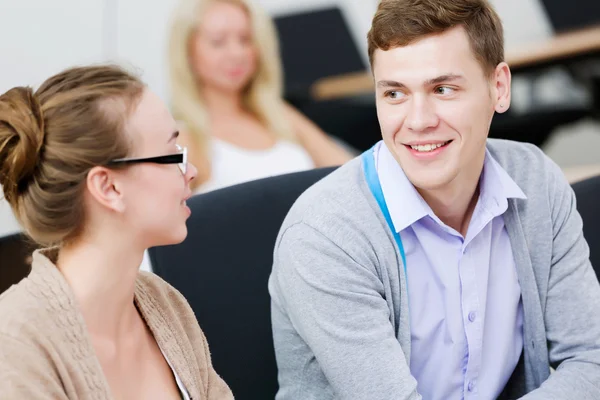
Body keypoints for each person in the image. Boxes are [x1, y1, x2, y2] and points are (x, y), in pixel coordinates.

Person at [268, 0, 600, 399]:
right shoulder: (326, 237)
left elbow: (591, 358)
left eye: (443, 89)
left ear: (499, 87)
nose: (419, 120)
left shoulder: (535, 180)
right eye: (394, 94)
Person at [0, 65, 233, 399]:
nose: (192, 171)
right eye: (172, 154)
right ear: (108, 186)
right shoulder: (16, 348)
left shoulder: (164, 303)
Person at [168, 0, 352, 193]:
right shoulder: (185, 139)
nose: (237, 53)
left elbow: (350, 173)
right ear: (187, 53)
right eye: (218, 42)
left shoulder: (278, 115)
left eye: (245, 39)